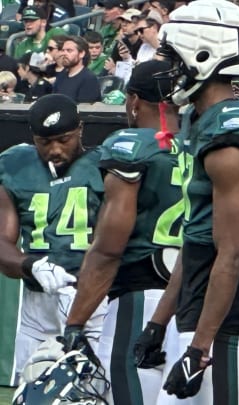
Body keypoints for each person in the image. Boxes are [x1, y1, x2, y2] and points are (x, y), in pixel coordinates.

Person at [134, 1, 239, 402]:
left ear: (204, 54)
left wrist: (199, 350)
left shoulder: (228, 129)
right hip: (204, 301)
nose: (166, 69)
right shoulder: (204, 120)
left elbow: (231, 253)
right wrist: (159, 322)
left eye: (171, 57)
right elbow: (198, 238)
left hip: (227, 314)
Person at [62, 60, 182, 405]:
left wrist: (76, 322)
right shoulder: (200, 145)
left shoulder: (131, 145)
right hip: (194, 302)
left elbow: (109, 248)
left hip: (141, 297)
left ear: (133, 100)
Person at [0, 94, 106, 384]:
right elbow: (2, 242)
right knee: (32, 391)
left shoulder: (104, 164)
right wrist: (30, 264)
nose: (55, 150)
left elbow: (116, 242)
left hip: (94, 301)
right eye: (45, 142)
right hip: (38, 305)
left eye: (64, 139)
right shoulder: (15, 165)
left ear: (81, 130)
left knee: (93, 392)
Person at [54, 36, 102, 103]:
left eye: (69, 50)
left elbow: (84, 109)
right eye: (63, 50)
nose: (64, 54)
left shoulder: (89, 79)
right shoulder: (61, 75)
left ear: (81, 54)